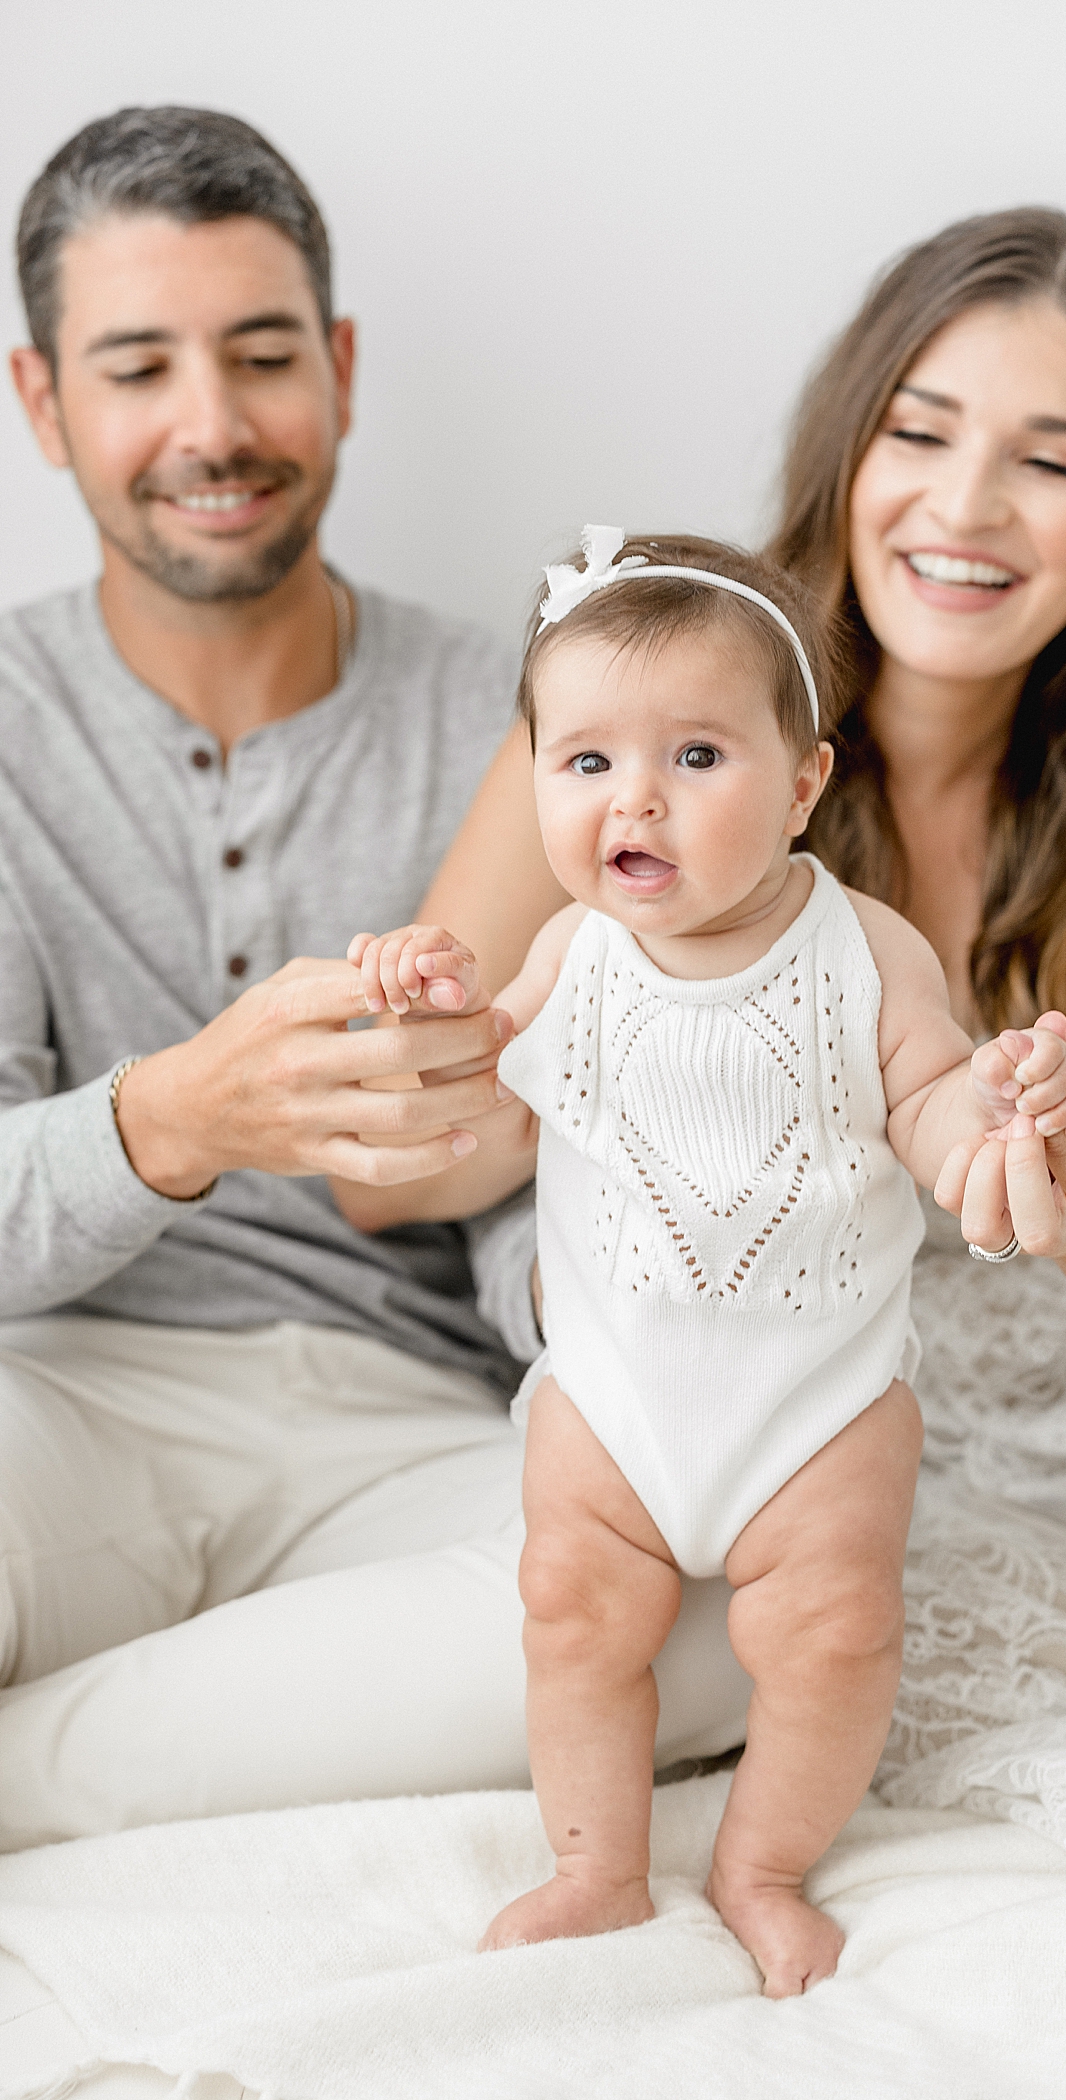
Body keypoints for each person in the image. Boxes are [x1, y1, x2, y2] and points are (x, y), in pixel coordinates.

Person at [398, 210, 1066, 1791]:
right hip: (738, 1390)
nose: (966, 505)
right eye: (918, 431)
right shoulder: (644, 728)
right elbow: (412, 1172)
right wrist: (447, 1036)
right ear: (844, 449)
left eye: (1052, 461)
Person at [0, 106, 750, 1855]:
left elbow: (534, 1162)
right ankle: (240, 1711)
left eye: (265, 355)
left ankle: (39, 1779)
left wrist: (596, 1293)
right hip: (57, 1403)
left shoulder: (553, 724)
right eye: (138, 368)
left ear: (338, 371)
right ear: (42, 402)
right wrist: (164, 1124)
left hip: (411, 1434)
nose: (214, 426)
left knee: (721, 1619)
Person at [339, 527, 1066, 1991]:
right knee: (568, 1603)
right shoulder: (569, 955)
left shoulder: (866, 952)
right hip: (615, 1387)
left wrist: (985, 1121)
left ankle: (761, 1864)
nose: (637, 798)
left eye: (696, 757)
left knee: (836, 1627)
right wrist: (428, 1009)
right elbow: (477, 1089)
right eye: (588, 763)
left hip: (816, 1398)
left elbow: (930, 1102)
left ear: (804, 781)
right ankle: (596, 1868)